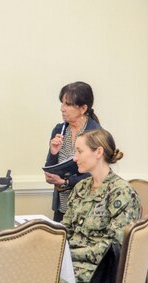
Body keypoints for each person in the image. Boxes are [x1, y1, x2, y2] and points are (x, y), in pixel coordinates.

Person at [55, 128, 141, 283]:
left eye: (79, 151)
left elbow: (114, 249)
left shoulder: (121, 192)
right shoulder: (81, 188)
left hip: (97, 276)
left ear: (98, 152)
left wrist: (67, 256)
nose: (75, 158)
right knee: (27, 277)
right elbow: (65, 230)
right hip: (72, 266)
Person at [44, 82, 102, 222]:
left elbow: (97, 174)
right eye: (62, 103)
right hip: (62, 207)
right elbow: (51, 168)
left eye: (68, 104)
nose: (62, 109)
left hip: (87, 208)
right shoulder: (59, 130)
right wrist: (53, 153)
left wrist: (66, 182)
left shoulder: (96, 134)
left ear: (83, 108)